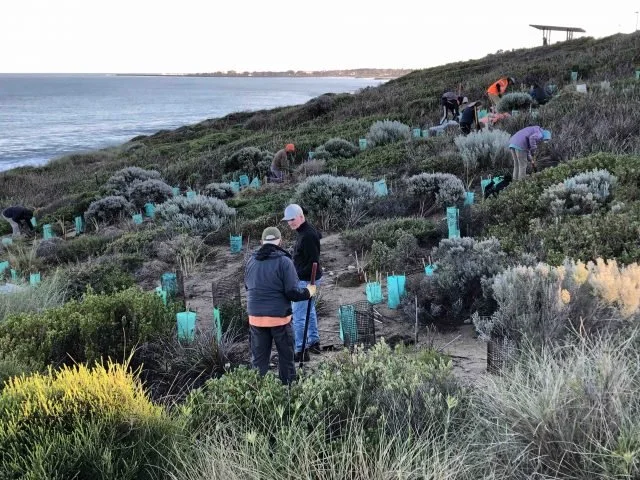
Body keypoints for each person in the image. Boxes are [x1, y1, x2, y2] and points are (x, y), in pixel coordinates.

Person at [245, 226, 317, 385]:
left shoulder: (250, 261)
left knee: (258, 362)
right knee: (286, 358)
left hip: (255, 320)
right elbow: (292, 293)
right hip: (279, 320)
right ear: (280, 242)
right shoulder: (284, 261)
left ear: (261, 242)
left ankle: (258, 394)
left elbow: (247, 288)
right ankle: (288, 390)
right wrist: (308, 292)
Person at [282, 203, 323, 360]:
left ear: (301, 216)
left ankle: (301, 350)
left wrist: (298, 276)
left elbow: (313, 261)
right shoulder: (304, 232)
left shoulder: (308, 235)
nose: (290, 222)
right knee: (308, 311)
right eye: (288, 220)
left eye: (292, 219)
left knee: (299, 315)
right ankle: (313, 342)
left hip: (305, 280)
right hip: (307, 279)